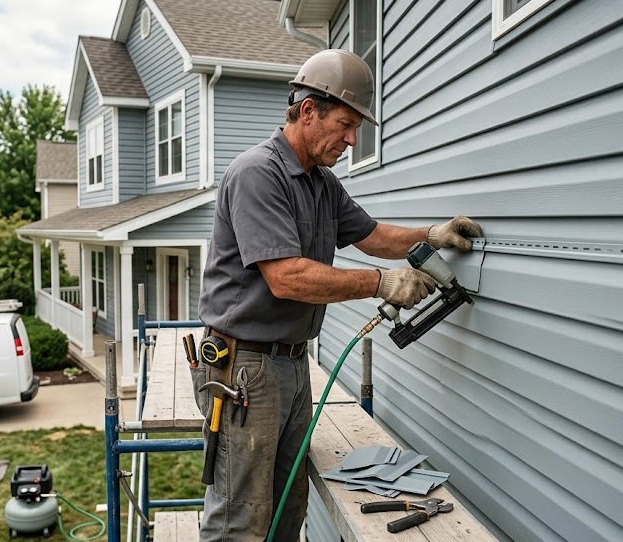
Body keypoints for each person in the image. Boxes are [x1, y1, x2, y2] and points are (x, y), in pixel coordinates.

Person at [196, 49, 481, 542]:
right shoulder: (256, 174)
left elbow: (372, 235)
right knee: (239, 519)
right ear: (308, 111)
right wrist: (380, 282)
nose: (352, 140)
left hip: (290, 362)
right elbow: (286, 277)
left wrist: (433, 234)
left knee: (287, 506)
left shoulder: (322, 184)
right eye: (345, 125)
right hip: (244, 367)